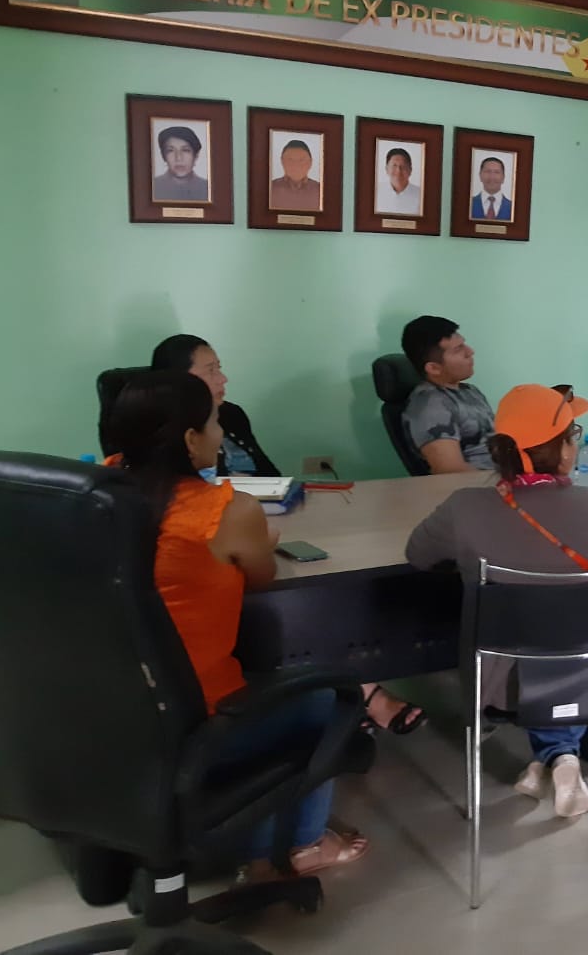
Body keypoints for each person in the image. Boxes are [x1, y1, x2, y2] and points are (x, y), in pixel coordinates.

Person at [106, 371, 367, 880]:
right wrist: (260, 541)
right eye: (213, 423)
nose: (221, 434)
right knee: (326, 697)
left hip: (111, 709)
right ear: (190, 439)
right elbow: (261, 576)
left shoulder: (98, 489)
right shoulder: (226, 510)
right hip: (192, 719)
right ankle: (302, 844)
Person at [144, 333, 425, 734]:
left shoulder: (227, 419)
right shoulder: (186, 497)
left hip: (255, 529)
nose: (223, 379)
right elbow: (260, 571)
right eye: (211, 370)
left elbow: (269, 475)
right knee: (306, 597)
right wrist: (254, 532)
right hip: (209, 679)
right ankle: (355, 694)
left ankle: (356, 688)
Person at [406, 384, 588, 819]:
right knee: (561, 637)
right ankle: (560, 755)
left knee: (534, 644)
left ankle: (553, 756)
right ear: (564, 450)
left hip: (501, 679)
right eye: (572, 435)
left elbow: (417, 555)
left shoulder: (463, 507)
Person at [147, 334, 278, 477]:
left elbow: (272, 475)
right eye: (210, 371)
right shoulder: (159, 429)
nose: (223, 379)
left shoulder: (230, 413)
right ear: (178, 379)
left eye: (218, 368)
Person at [401, 315, 495, 473]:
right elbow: (450, 470)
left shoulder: (470, 391)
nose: (470, 352)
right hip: (484, 483)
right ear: (433, 368)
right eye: (458, 349)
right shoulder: (431, 406)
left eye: (464, 344)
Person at [151, 125, 209, 203]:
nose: (178, 158)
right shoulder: (152, 187)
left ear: (196, 156)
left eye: (185, 150)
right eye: (170, 150)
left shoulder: (208, 188)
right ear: (163, 156)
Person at [268, 139, 323, 213]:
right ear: (282, 161)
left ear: (310, 162)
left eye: (301, 160)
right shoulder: (270, 189)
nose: (296, 165)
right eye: (290, 160)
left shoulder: (321, 191)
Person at [375, 146, 421, 216]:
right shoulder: (375, 192)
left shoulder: (421, 195)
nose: (398, 171)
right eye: (394, 166)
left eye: (403, 166)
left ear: (410, 170)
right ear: (386, 169)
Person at [469, 157, 512, 222]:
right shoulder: (469, 204)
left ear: (503, 177)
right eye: (488, 171)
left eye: (497, 172)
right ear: (480, 175)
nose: (492, 177)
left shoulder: (512, 208)